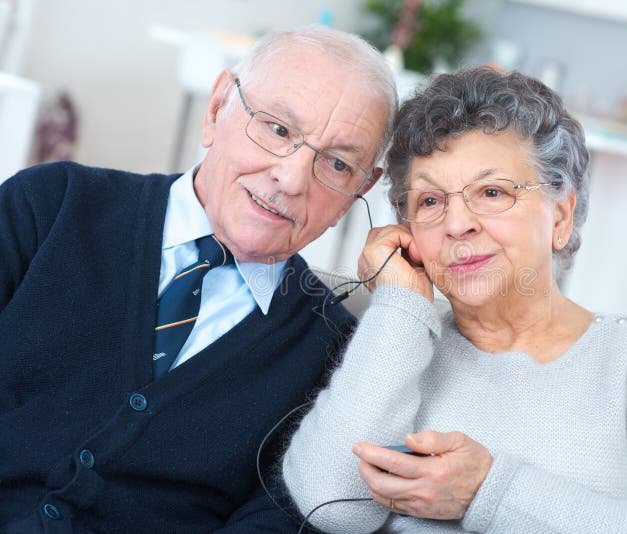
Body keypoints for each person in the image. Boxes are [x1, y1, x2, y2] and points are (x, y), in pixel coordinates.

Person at [283, 67, 627, 533]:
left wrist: (486, 490)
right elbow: (333, 507)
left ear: (561, 214)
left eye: (491, 192)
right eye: (430, 202)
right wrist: (400, 303)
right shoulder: (400, 340)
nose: (458, 224)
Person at [0, 26, 395, 532]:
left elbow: (274, 522)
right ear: (217, 110)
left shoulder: (333, 354)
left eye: (337, 164)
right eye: (277, 129)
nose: (292, 179)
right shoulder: (51, 206)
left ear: (359, 190)